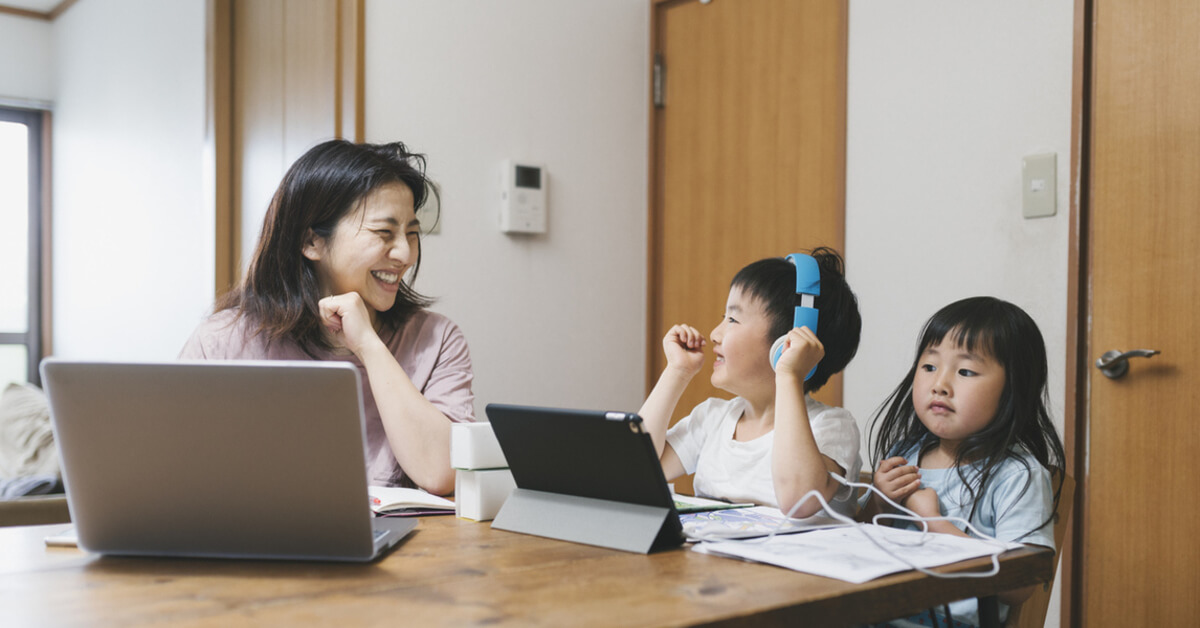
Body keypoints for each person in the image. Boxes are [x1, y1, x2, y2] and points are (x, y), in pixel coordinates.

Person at [179, 139, 472, 496]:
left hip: (412, 548)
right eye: (385, 233)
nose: (405, 253)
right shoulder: (222, 342)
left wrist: (368, 345)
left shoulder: (436, 340)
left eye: (412, 233)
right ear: (311, 242)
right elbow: (173, 470)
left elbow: (443, 472)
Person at [861, 296, 1067, 628]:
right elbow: (863, 544)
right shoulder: (907, 452)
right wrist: (877, 501)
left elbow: (1019, 587)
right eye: (929, 367)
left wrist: (933, 522)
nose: (939, 385)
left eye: (966, 371)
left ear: (1014, 388)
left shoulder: (1018, 476)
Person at [638, 248, 863, 517]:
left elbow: (798, 501)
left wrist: (789, 375)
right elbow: (637, 472)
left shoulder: (831, 427)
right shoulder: (712, 420)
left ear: (787, 344)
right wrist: (677, 372)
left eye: (732, 319)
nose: (714, 334)